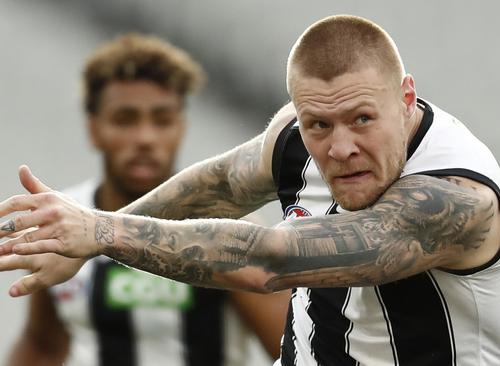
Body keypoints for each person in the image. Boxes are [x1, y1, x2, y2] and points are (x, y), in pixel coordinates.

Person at [0, 15, 500, 366]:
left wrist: (101, 229)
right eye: (319, 124)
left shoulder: (454, 199)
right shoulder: (297, 138)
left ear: (405, 98)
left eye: (362, 119)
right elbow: (223, 183)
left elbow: (271, 263)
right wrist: (78, 240)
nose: (340, 148)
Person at [2, 33, 288, 366]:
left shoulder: (226, 228)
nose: (145, 138)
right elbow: (43, 345)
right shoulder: (62, 224)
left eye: (162, 120)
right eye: (126, 120)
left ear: (180, 127)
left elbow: (289, 347)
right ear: (94, 129)